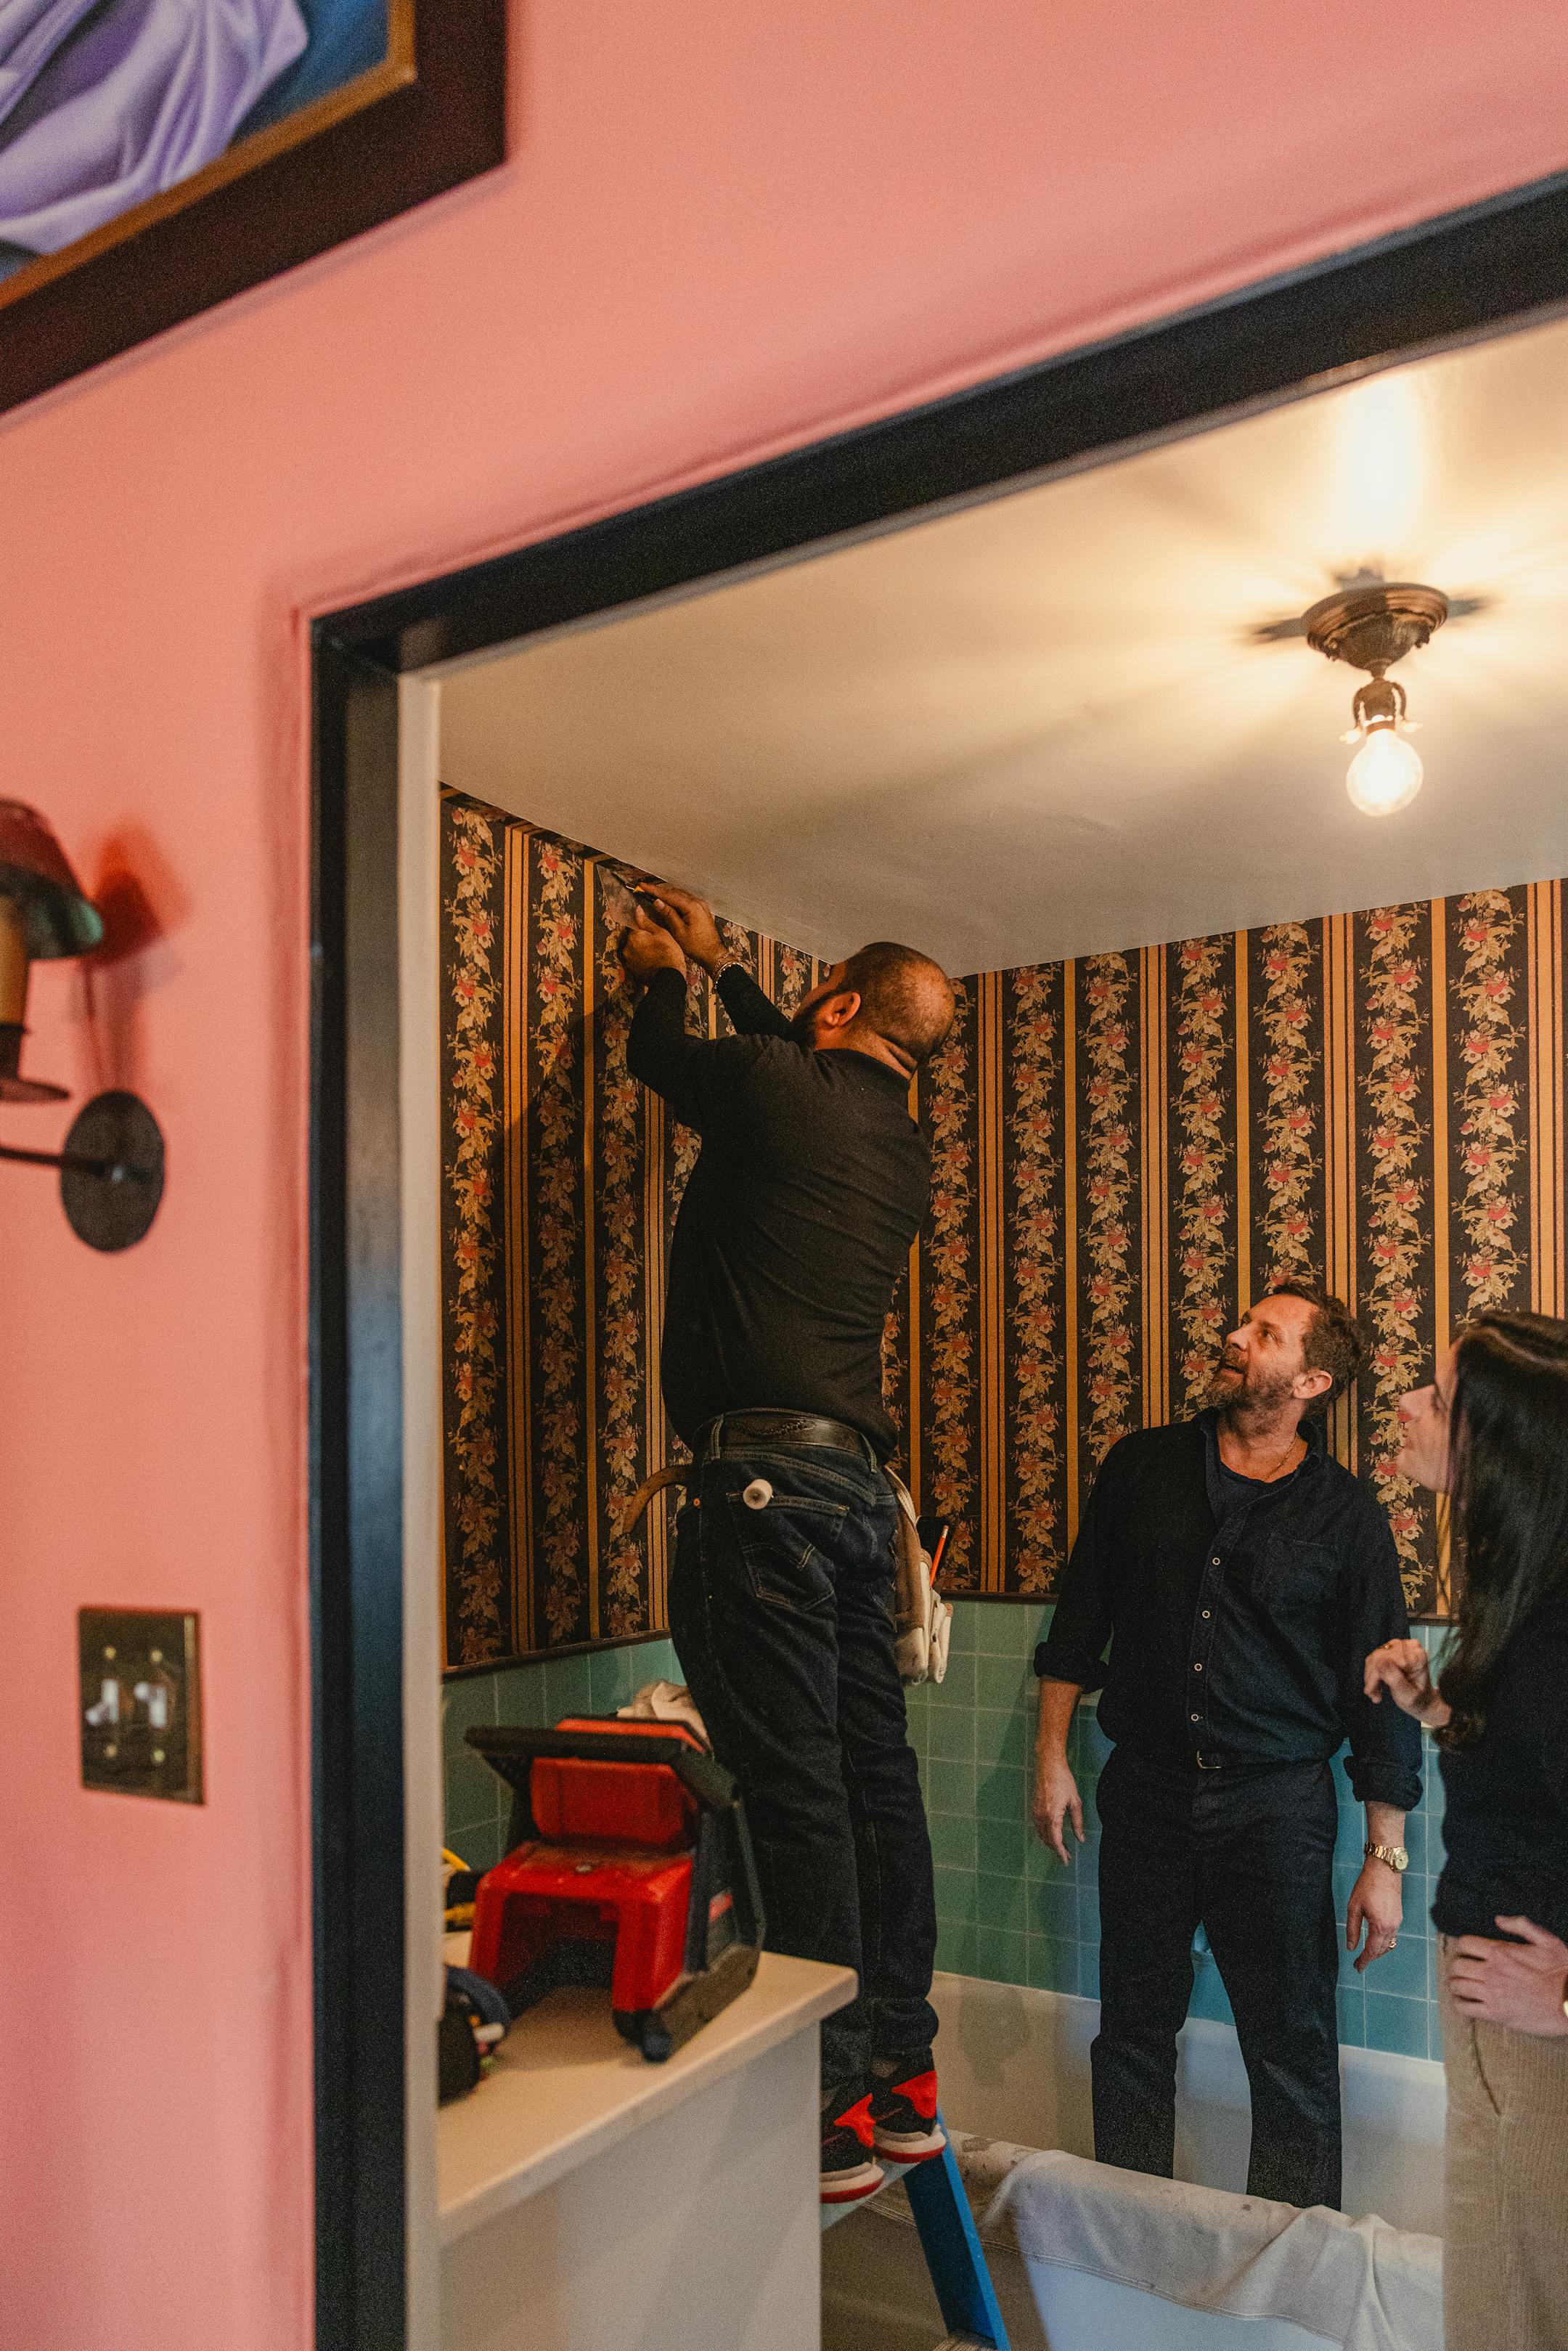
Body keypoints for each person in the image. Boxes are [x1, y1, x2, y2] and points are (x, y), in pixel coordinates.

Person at [620, 883, 956, 2203]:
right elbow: (789, 1062)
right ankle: (900, 2075)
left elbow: (668, 1059)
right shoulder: (902, 1145)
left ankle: (818, 2103)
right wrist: (731, 969)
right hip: (862, 1495)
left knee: (795, 1784)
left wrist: (662, 970)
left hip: (760, 1486)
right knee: (877, 1776)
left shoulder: (777, 1083)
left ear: (837, 1005)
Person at [1032, 1281, 1421, 2209]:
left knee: (1290, 2050)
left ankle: (1289, 2275)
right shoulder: (1143, 1467)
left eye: (1265, 1332)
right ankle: (1128, 2245)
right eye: (1246, 1321)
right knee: (1130, 2034)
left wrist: (1385, 1857)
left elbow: (1382, 1699)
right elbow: (1081, 1619)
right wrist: (1051, 1757)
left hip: (1277, 1810)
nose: (1235, 1334)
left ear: (1312, 1378)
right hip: (1148, 1794)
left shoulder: (1347, 1515)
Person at [1365, 1311, 1568, 2351]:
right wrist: (1440, 1712)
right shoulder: (1530, 1595)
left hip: (1544, 2031)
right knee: (1498, 2302)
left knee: (1522, 2312)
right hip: (1505, 2015)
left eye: (1437, 1398)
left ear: (1506, 1446)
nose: (1406, 1404)